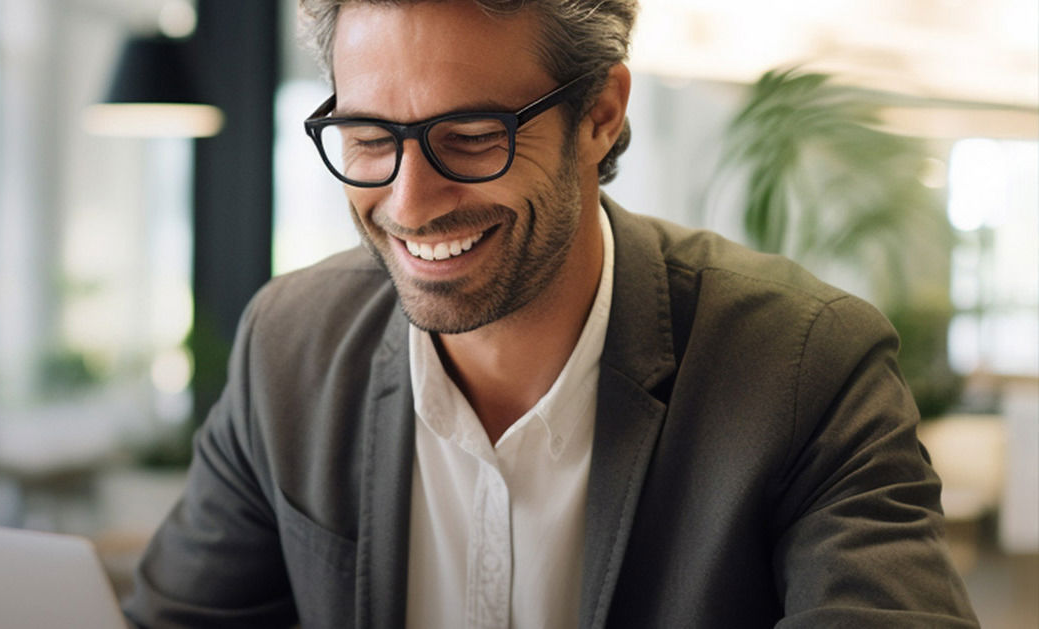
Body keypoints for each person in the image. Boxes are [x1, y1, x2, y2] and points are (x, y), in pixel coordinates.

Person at [124, 1, 979, 627]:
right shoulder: (288, 347)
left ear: (600, 114)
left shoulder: (808, 367)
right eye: (371, 138)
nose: (409, 203)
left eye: (470, 136)